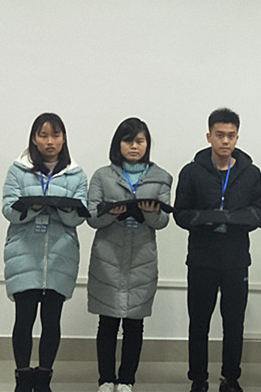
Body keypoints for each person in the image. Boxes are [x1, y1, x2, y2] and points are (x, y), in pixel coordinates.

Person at [173, 108, 261, 392]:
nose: (225, 141)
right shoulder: (191, 172)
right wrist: (206, 218)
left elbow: (258, 212)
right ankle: (198, 378)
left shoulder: (250, 173)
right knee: (199, 322)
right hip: (202, 258)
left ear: (237, 137)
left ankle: (230, 378)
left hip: (236, 259)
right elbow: (180, 214)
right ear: (209, 136)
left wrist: (234, 219)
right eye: (220, 135)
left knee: (234, 322)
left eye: (231, 135)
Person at [2, 113, 88, 392]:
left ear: (64, 139)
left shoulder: (77, 174)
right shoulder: (18, 170)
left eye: (56, 135)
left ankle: (44, 379)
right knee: (23, 320)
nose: (50, 141)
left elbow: (80, 217)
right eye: (43, 135)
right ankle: (22, 378)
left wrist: (67, 210)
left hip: (61, 256)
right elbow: (8, 209)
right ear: (34, 139)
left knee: (52, 322)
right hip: (23, 254)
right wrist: (33, 208)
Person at [86, 118, 173, 392]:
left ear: (147, 144)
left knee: (135, 323)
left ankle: (126, 380)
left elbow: (162, 221)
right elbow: (91, 217)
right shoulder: (102, 176)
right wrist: (111, 212)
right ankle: (105, 379)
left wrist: (150, 212)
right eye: (128, 140)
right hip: (107, 258)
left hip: (142, 258)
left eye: (140, 141)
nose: (134, 146)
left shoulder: (161, 177)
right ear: (118, 144)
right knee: (107, 322)